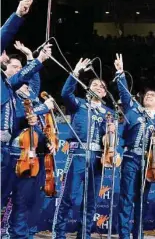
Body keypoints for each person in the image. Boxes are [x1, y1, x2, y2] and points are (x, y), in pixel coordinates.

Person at [53, 58, 116, 239]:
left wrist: (112, 131)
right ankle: (59, 235)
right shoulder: (79, 104)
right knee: (68, 197)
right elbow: (65, 93)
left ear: (105, 94)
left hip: (98, 158)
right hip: (78, 153)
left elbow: (109, 141)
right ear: (88, 89)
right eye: (95, 84)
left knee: (91, 201)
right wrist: (76, 71)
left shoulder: (108, 112)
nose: (98, 87)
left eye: (102, 86)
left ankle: (84, 235)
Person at [114, 53, 155, 239]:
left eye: (153, 96)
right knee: (126, 198)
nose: (149, 97)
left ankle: (137, 234)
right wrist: (120, 72)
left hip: (148, 162)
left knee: (142, 199)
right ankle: (123, 235)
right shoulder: (133, 110)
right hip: (131, 158)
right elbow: (123, 93)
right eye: (147, 95)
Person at [1, 45, 53, 238]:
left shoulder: (29, 94)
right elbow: (20, 117)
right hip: (9, 154)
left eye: (20, 67)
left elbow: (34, 78)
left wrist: (32, 57)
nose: (17, 69)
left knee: (23, 202)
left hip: (28, 156)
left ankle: (19, 235)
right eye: (13, 66)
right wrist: (41, 109)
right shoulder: (7, 91)